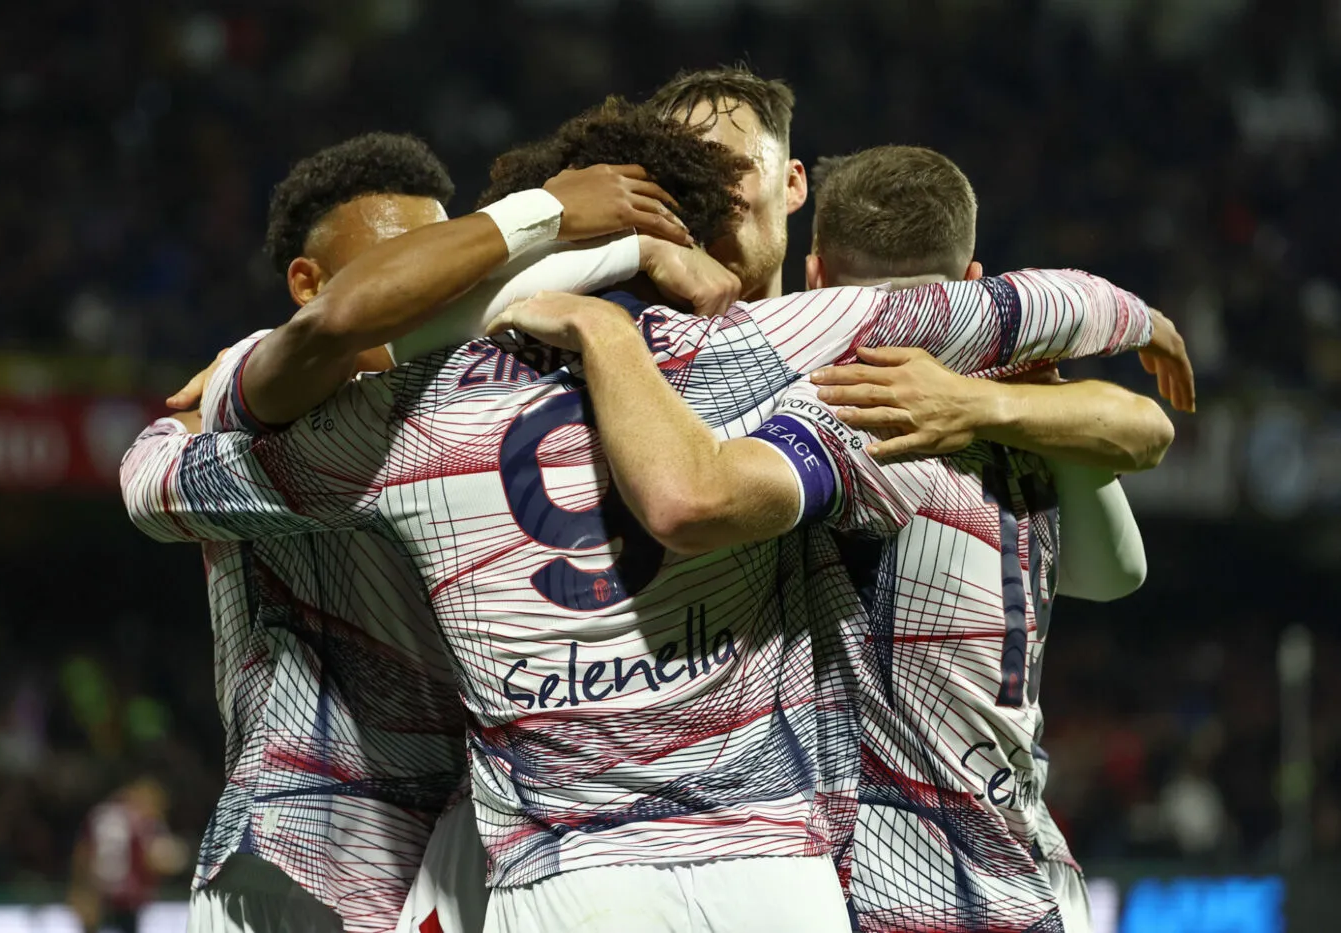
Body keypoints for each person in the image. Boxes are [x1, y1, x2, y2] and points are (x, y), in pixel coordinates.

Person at [122, 100, 1166, 933]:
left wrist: (219, 394)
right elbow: (1015, 309)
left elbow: (162, 482)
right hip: (780, 871)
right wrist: (1129, 325)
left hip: (551, 875)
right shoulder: (775, 357)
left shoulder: (404, 419)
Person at [498, 145, 1187, 933]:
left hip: (899, 890)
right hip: (1031, 872)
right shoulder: (1024, 405)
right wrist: (1016, 403)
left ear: (816, 274)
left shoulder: (845, 403)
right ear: (970, 280)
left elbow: (696, 493)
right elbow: (1117, 569)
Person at [158, 130, 698, 933]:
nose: (438, 288)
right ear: (309, 283)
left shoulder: (471, 399)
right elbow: (339, 334)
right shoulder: (252, 399)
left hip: (462, 857)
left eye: (453, 263)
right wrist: (553, 216)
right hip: (302, 860)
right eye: (411, 265)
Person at [648, 65, 806, 301]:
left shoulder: (851, 320)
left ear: (792, 185)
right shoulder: (605, 320)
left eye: (734, 170)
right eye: (687, 176)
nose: (714, 196)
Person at [69, 776, 187, 933]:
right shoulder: (143, 822)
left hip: (99, 894)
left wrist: (80, 889)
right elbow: (155, 860)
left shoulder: (102, 814)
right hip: (122, 899)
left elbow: (83, 852)